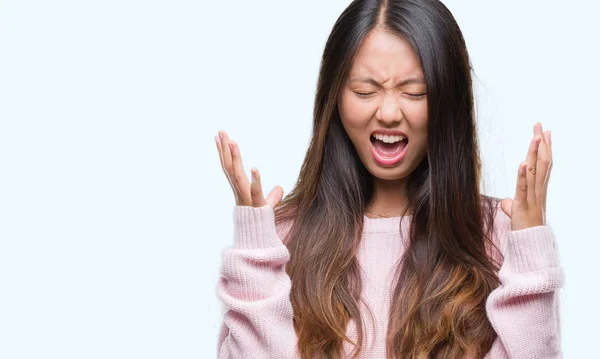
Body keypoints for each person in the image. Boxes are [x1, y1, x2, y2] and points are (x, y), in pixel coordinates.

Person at [214, 0, 564, 358]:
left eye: (414, 92)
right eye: (366, 91)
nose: (388, 113)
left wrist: (530, 249)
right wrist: (255, 254)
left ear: (448, 100)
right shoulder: (280, 241)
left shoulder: (497, 238)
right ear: (334, 98)